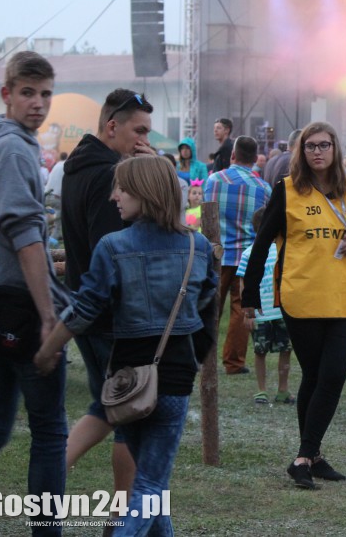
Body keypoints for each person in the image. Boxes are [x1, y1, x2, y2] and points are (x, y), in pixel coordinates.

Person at [35, 155, 218, 535]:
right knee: (152, 482)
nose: (114, 196)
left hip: (125, 377)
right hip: (173, 376)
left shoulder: (113, 246)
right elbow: (206, 311)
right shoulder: (196, 246)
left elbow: (85, 309)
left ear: (144, 191)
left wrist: (49, 348)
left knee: (149, 483)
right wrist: (193, 358)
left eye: (121, 187)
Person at [244, 121, 346, 486]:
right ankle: (311, 455)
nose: (317, 152)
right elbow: (261, 244)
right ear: (301, 152)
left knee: (332, 375)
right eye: (310, 146)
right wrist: (250, 297)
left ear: (335, 149)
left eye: (324, 145)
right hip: (301, 296)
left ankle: (305, 456)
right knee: (316, 376)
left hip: (345, 296)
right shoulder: (287, 191)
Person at [0, 52, 70, 537]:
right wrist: (49, 315)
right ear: (7, 93)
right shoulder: (12, 149)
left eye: (46, 93)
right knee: (50, 430)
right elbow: (25, 235)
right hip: (19, 308)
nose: (38, 104)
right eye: (28, 92)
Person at [61, 87, 155, 508]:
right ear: (112, 126)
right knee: (129, 415)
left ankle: (55, 469)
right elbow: (111, 249)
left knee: (109, 404)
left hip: (88, 306)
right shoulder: (106, 175)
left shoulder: (79, 164)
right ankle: (124, 511)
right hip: (110, 314)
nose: (142, 141)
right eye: (139, 131)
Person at [205, 135, 271, 375]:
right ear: (255, 159)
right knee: (241, 310)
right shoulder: (264, 188)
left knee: (210, 308)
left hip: (216, 255)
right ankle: (234, 362)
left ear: (232, 155)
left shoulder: (213, 180)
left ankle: (203, 358)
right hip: (247, 258)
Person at [238, 207, 294, 406]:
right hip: (260, 314)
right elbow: (243, 282)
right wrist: (247, 311)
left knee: (285, 349)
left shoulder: (285, 250)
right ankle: (261, 391)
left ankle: (283, 390)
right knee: (259, 351)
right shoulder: (249, 253)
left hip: (283, 312)